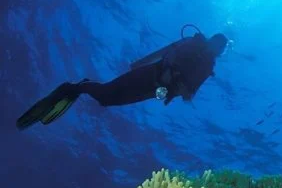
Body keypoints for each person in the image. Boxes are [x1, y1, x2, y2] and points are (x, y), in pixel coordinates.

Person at [16, 31, 228, 130]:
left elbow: (190, 95)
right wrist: (139, 63)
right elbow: (166, 50)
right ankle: (75, 88)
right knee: (108, 93)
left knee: (107, 100)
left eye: (219, 48)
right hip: (150, 74)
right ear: (211, 40)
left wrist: (181, 89)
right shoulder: (192, 42)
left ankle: (82, 86)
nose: (215, 49)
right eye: (216, 43)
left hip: (154, 91)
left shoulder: (207, 68)